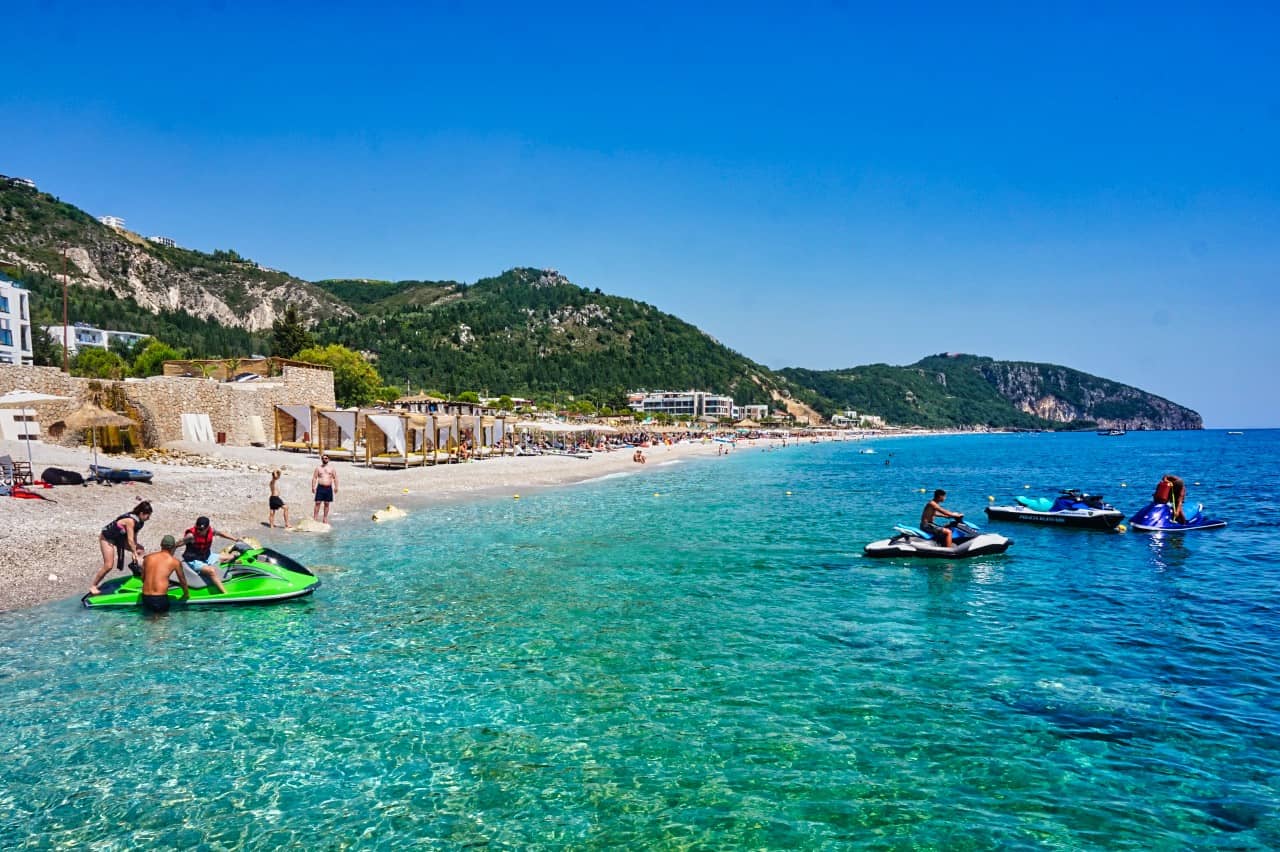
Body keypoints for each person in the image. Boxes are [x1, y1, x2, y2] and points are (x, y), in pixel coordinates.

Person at [88, 500, 152, 595]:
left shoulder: (140, 522)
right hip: (107, 539)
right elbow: (130, 540)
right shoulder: (130, 521)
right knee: (109, 565)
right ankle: (93, 586)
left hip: (119, 539)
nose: (149, 518)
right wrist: (134, 553)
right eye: (148, 515)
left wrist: (136, 552)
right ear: (142, 513)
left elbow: (134, 538)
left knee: (140, 549)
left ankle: (137, 571)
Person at [181, 516, 238, 594]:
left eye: (201, 529)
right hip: (194, 560)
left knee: (233, 557)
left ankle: (230, 580)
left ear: (207, 528)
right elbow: (177, 544)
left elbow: (221, 534)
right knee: (211, 571)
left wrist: (235, 539)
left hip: (207, 556)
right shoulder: (191, 536)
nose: (198, 531)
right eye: (197, 528)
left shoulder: (212, 531)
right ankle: (225, 593)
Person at [140, 534, 188, 613]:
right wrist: (186, 594)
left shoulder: (148, 558)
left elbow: (143, 578)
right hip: (159, 597)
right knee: (161, 622)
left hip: (145, 596)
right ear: (173, 547)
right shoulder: (174, 561)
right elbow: (182, 580)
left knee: (148, 620)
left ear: (161, 545)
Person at [312, 454, 338, 523]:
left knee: (327, 503)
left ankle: (325, 518)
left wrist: (336, 487)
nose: (324, 459)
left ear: (328, 459)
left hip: (328, 488)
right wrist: (313, 487)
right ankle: (315, 518)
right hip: (320, 487)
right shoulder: (318, 468)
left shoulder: (332, 469)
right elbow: (314, 478)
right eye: (323, 458)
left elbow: (335, 478)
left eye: (326, 458)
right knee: (317, 502)